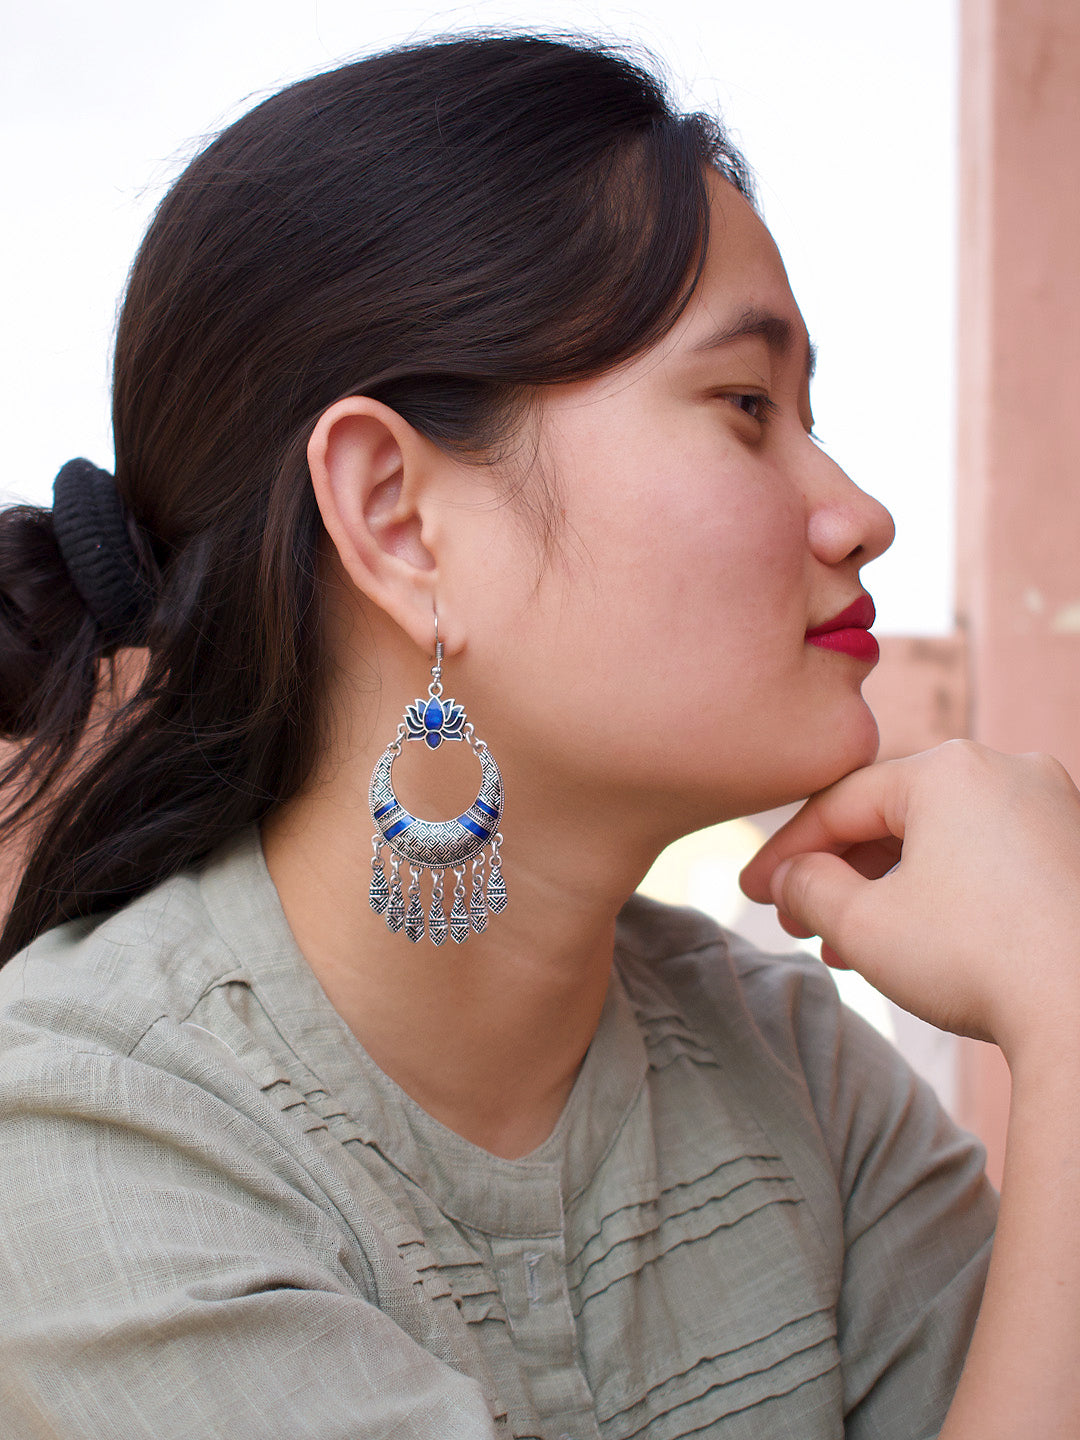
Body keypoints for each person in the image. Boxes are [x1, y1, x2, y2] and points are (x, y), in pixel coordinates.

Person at [0, 31, 1076, 1440]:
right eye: (747, 408)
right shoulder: (83, 1150)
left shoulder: (792, 1065)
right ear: (396, 515)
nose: (858, 512)